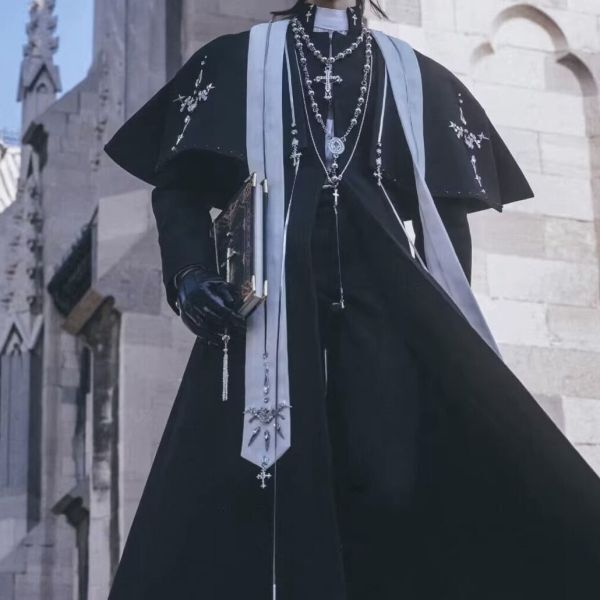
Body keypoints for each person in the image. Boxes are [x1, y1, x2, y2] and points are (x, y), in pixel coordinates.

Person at [104, 1, 600, 598]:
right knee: (259, 487)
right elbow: (179, 188)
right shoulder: (237, 59)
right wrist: (189, 275)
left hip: (386, 304)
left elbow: (447, 221)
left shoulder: (413, 75)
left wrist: (448, 332)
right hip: (270, 311)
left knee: (393, 478)